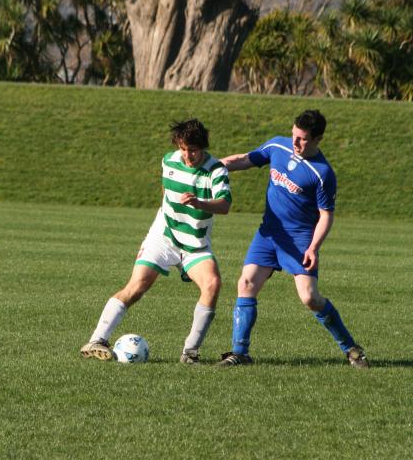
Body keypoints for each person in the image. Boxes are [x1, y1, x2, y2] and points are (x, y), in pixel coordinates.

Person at [217, 109, 369, 369]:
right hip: (269, 234)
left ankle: (351, 349)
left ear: (318, 139)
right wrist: (213, 166)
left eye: (303, 139)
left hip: (299, 240)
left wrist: (313, 247)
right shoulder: (278, 145)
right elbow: (245, 159)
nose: (296, 143)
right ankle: (239, 353)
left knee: (310, 298)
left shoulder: (322, 173)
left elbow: (326, 216)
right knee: (246, 283)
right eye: (294, 135)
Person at [81, 118, 232, 364]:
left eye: (192, 150)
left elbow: (224, 205)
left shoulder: (215, 171)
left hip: (194, 244)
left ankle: (190, 353)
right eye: (183, 149)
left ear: (202, 146)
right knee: (137, 286)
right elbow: (165, 193)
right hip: (163, 237)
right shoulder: (169, 160)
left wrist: (199, 203)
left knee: (212, 284)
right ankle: (97, 340)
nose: (187, 155)